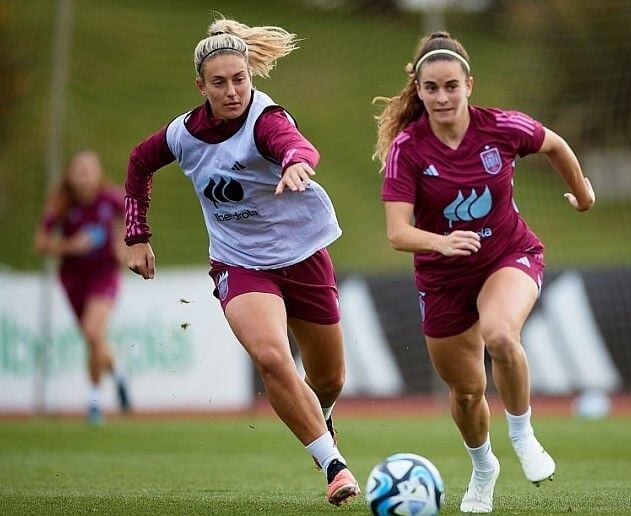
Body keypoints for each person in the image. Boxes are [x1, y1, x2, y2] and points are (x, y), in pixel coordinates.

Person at [123, 16, 359, 507]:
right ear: (201, 86)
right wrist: (137, 234)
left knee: (330, 379)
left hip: (303, 256)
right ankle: (333, 464)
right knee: (272, 356)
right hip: (239, 263)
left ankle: (323, 414)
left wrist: (296, 161)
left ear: (251, 75)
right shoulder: (183, 134)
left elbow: (294, 142)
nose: (232, 91)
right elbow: (138, 163)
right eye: (219, 82)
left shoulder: (266, 120)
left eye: (240, 79)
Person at [375, 32, 595, 513]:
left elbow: (555, 144)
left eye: (451, 86)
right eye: (431, 88)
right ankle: (483, 468)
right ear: (419, 90)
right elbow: (396, 232)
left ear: (469, 84)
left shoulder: (502, 128)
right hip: (441, 279)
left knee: (499, 335)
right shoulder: (407, 150)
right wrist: (441, 242)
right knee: (468, 392)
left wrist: (582, 193)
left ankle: (523, 435)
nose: (442, 97)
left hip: (508, 255)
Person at [35, 150, 132, 426]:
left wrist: (122, 244)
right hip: (73, 278)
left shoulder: (111, 198)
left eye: (89, 170)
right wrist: (69, 245)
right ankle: (119, 371)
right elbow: (41, 243)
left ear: (98, 173)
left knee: (92, 332)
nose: (85, 176)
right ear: (71, 176)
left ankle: (93, 402)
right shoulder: (60, 204)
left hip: (104, 275)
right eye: (79, 171)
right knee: (94, 339)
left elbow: (132, 218)